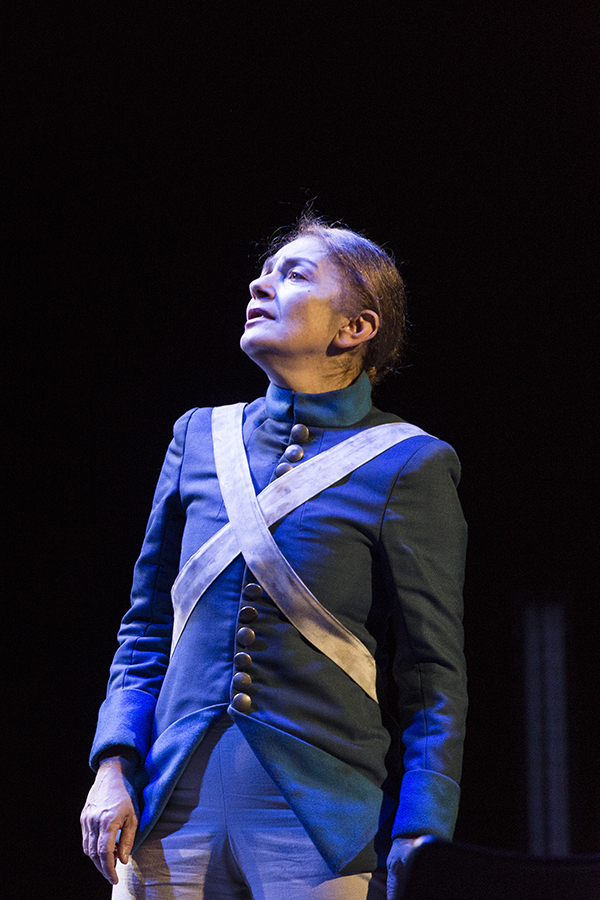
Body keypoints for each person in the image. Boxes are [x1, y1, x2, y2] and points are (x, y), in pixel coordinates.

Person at [81, 215, 468, 900]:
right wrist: (113, 765)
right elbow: (146, 630)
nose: (261, 284)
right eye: (264, 272)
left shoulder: (409, 462)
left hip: (319, 819)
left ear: (355, 328)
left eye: (294, 274)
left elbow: (431, 673)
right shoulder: (198, 437)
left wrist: (422, 827)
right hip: (169, 811)